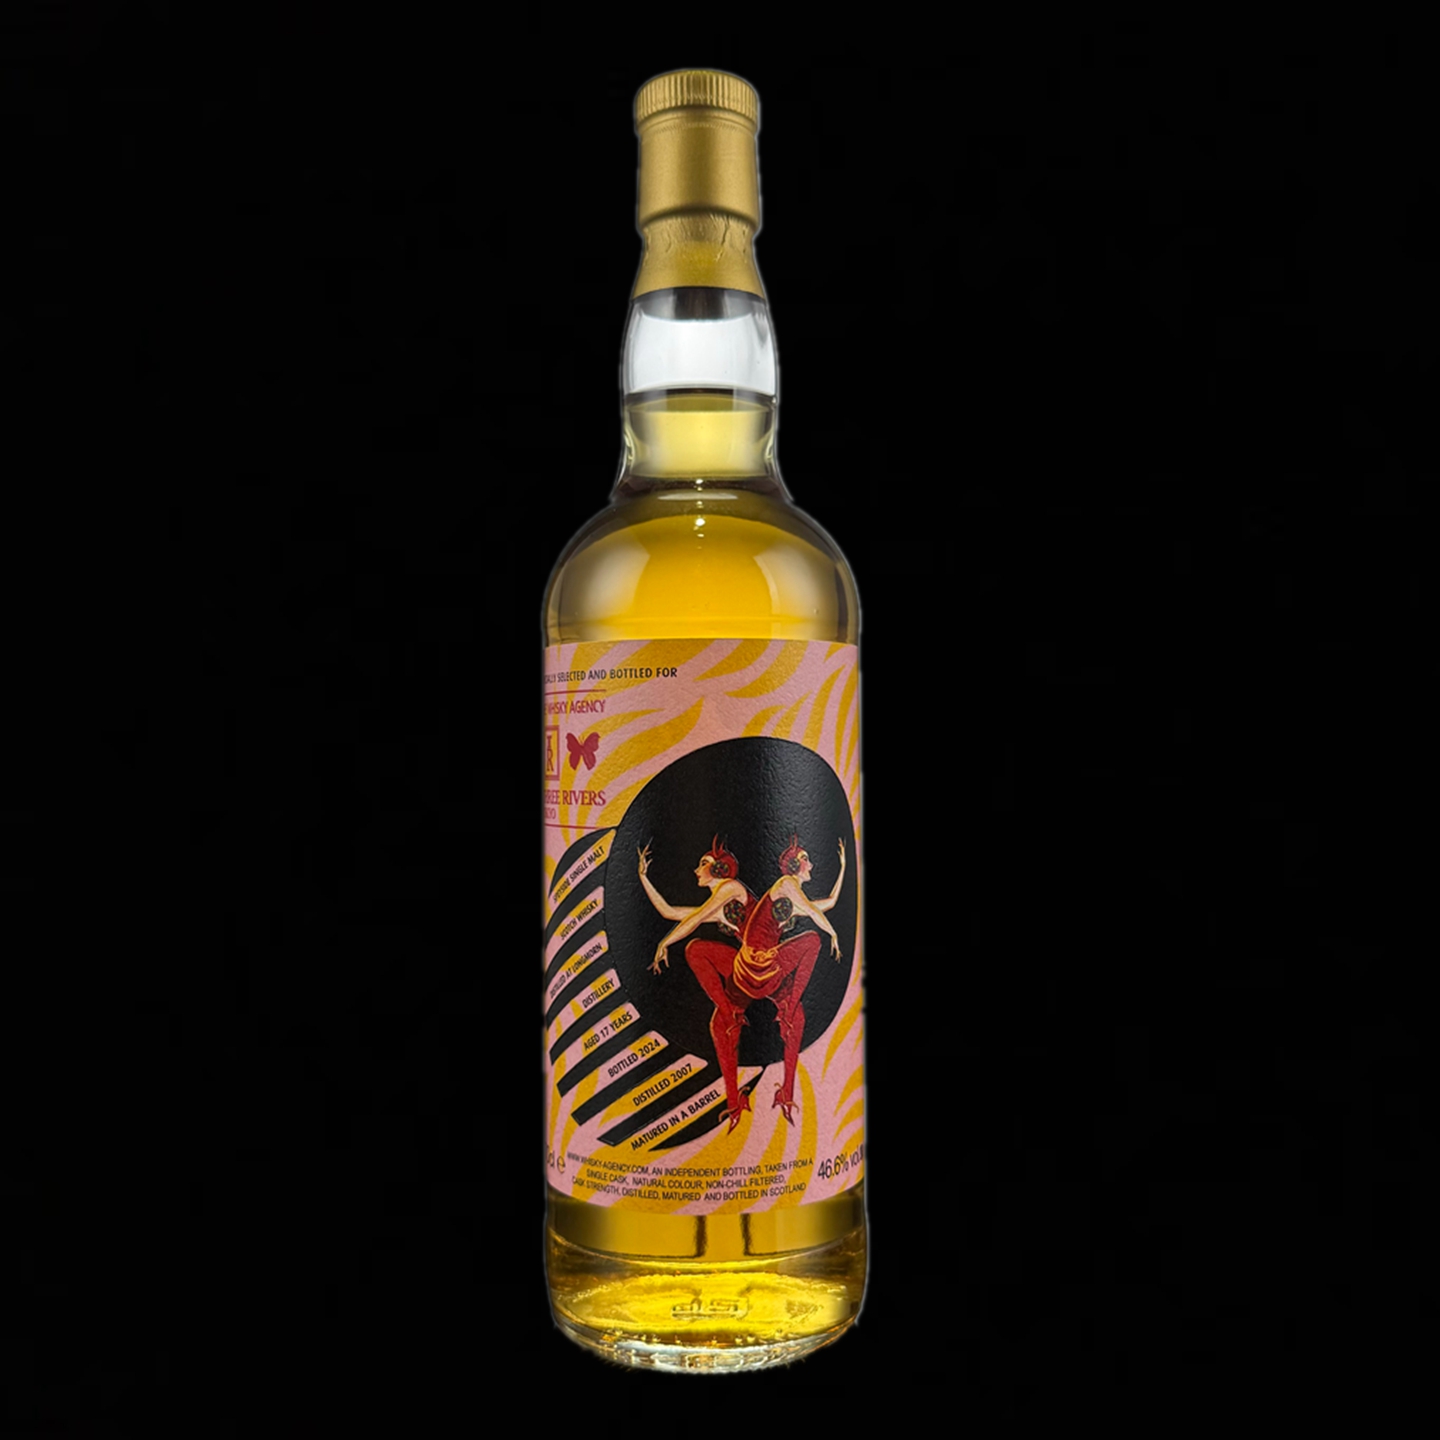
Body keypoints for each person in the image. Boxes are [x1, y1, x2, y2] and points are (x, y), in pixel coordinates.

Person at [640, 834, 845, 1131]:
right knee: (712, 993)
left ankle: (778, 1082)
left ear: (719, 869)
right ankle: (737, 1095)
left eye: (703, 864)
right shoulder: (725, 903)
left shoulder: (732, 889)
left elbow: (823, 906)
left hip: (758, 968)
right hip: (753, 969)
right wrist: (643, 877)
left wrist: (665, 943)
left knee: (699, 955)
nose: (697, 870)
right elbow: (672, 913)